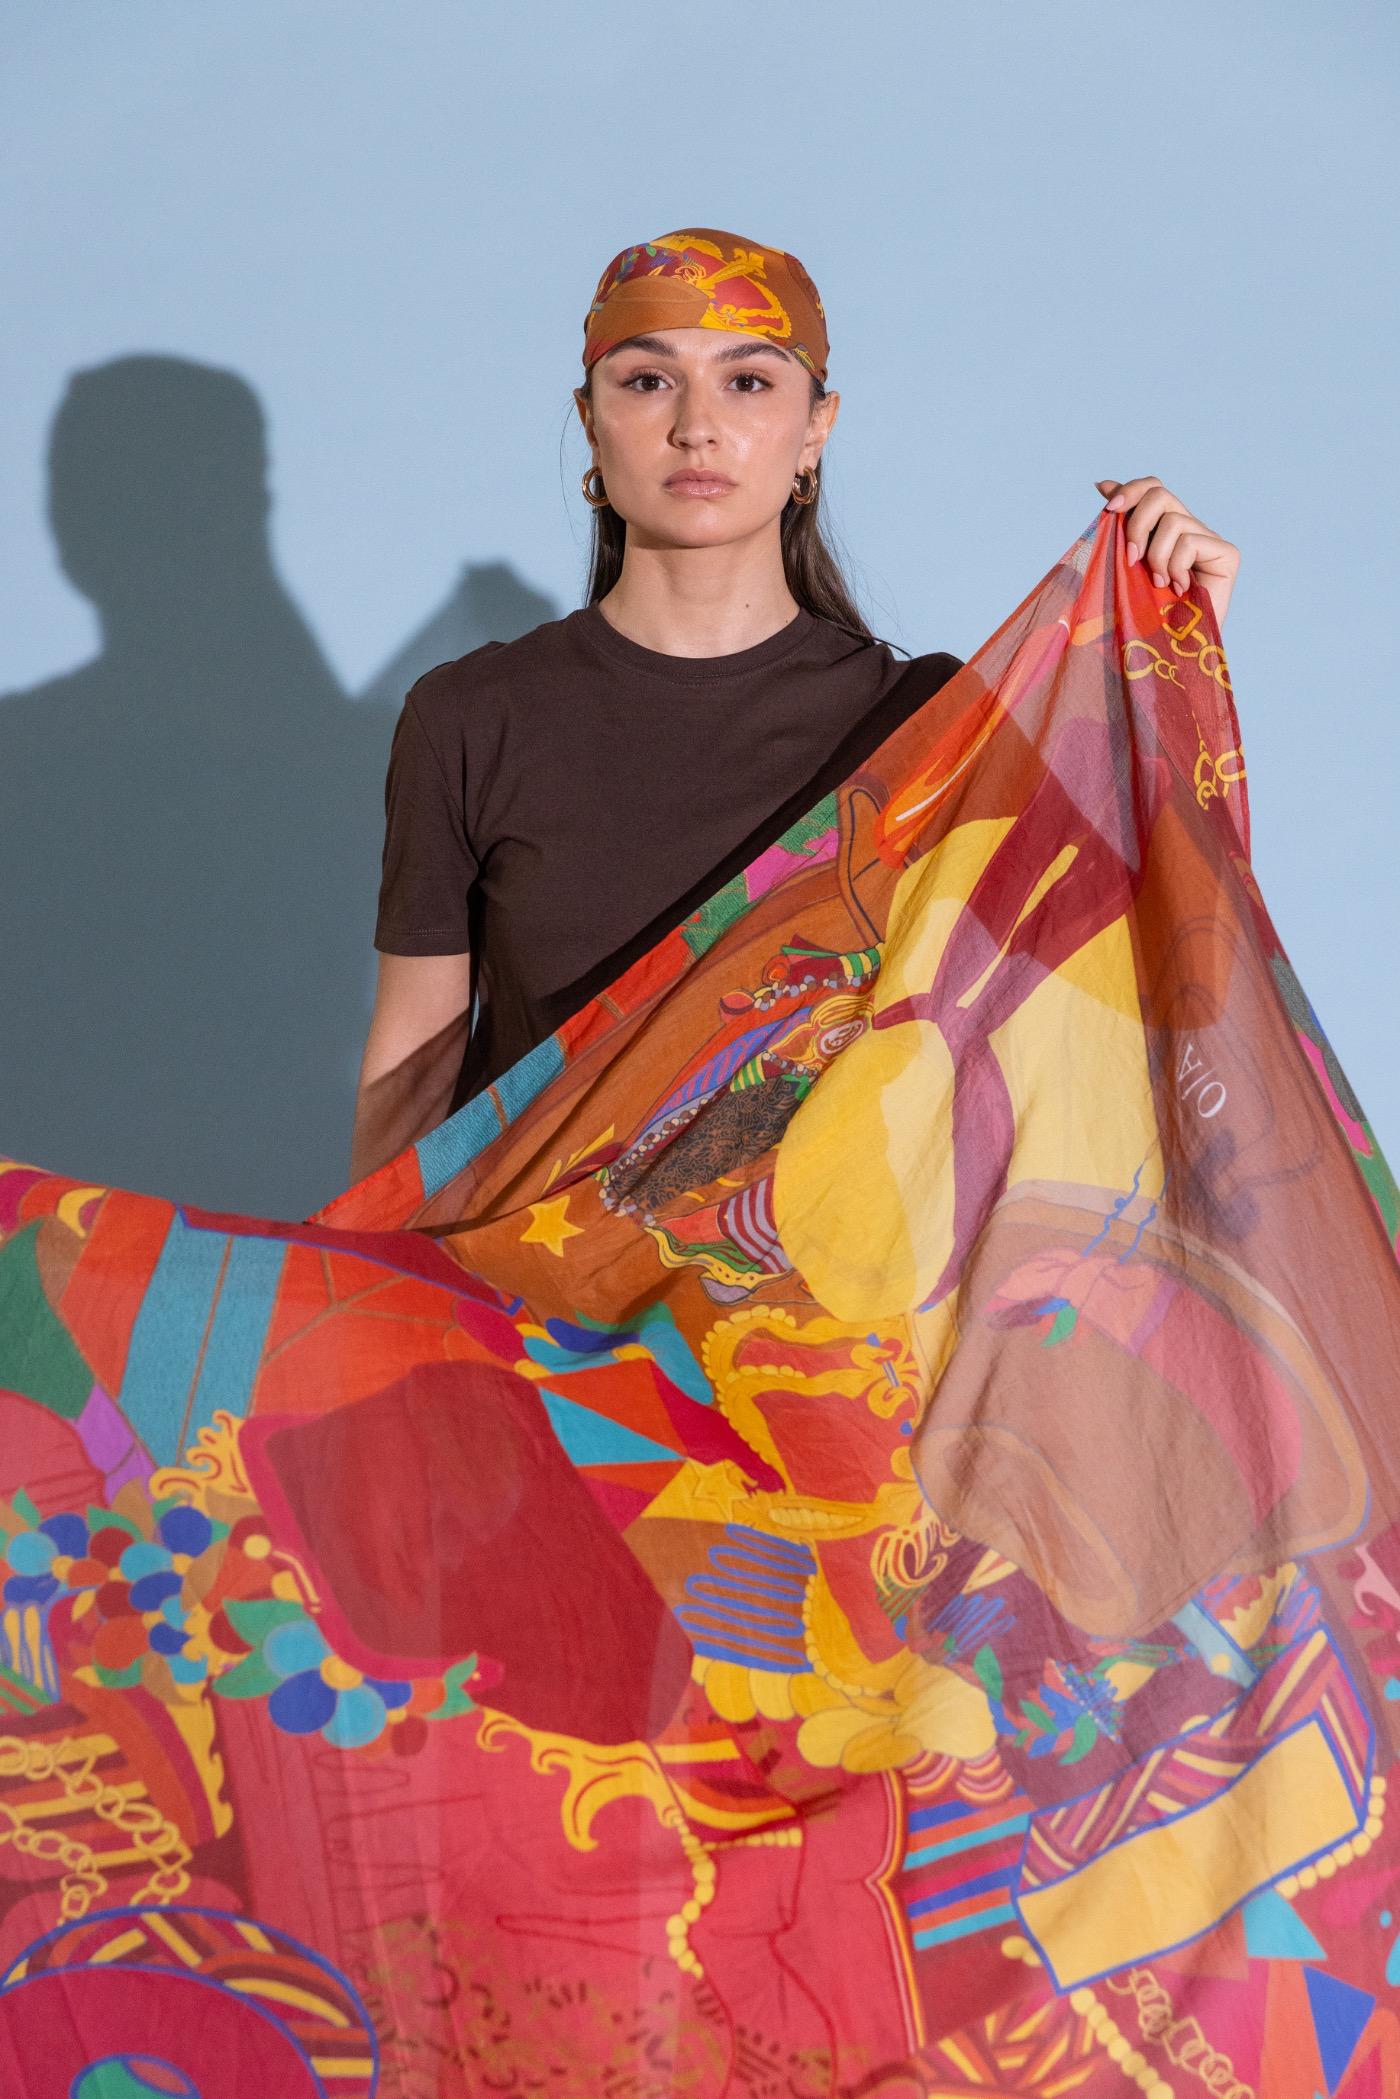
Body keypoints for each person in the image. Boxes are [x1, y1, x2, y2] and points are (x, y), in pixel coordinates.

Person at [350, 225, 1239, 1186]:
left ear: (816, 427)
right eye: (647, 380)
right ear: (591, 421)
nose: (696, 426)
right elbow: (413, 1078)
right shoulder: (471, 718)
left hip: (834, 1269)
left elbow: (1116, 983)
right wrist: (341, 1269)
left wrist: (1177, 661)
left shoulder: (931, 724)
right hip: (522, 1269)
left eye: (748, 381)